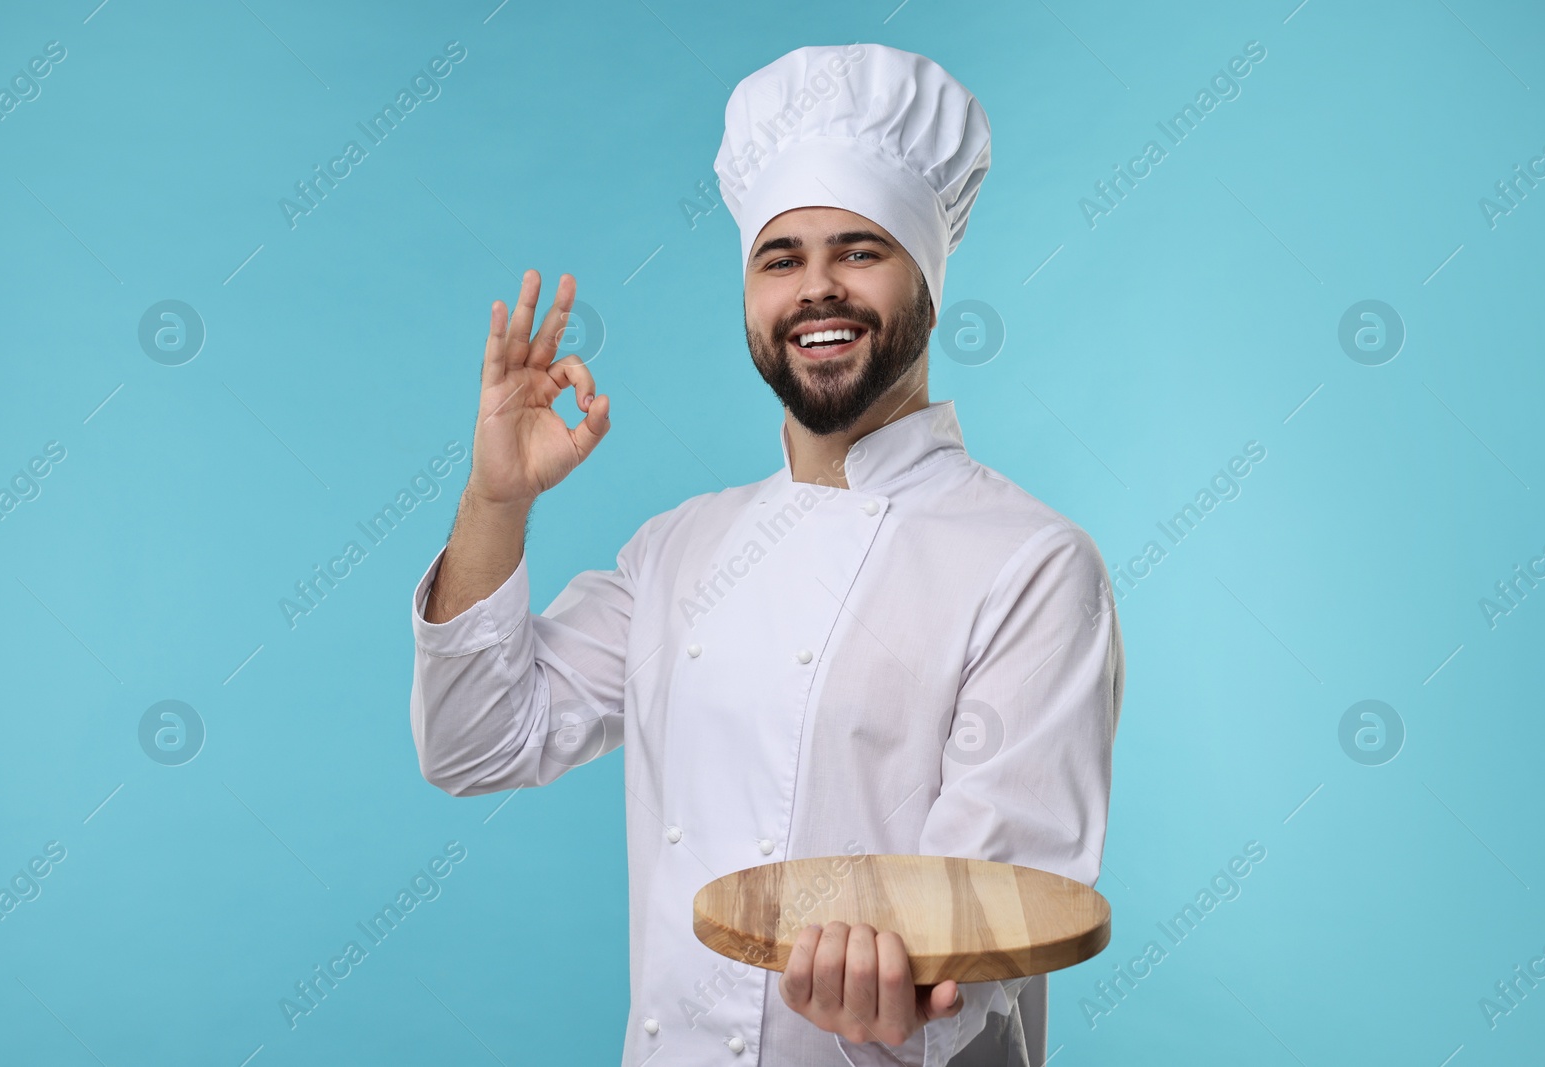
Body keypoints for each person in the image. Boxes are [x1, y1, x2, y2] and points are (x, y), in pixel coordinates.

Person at [409, 43, 1124, 1067]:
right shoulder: (681, 549)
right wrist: (496, 495)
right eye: (780, 258)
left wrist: (915, 996)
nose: (816, 289)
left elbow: (989, 928)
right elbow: (474, 741)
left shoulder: (1032, 564)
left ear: (926, 278)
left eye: (860, 250)